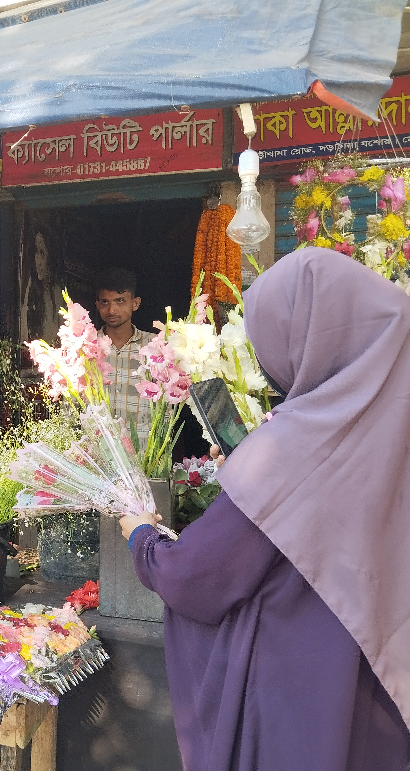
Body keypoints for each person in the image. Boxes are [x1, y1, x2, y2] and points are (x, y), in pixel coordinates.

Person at [120, 248, 410, 771]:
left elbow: (195, 577)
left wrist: (142, 538)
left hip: (302, 710)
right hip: (385, 701)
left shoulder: (300, 447)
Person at [95, 267, 155, 443]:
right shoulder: (87, 347)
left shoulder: (155, 347)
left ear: (135, 303)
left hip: (145, 455)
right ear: (97, 306)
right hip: (99, 456)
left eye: (120, 301)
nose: (112, 310)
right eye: (105, 302)